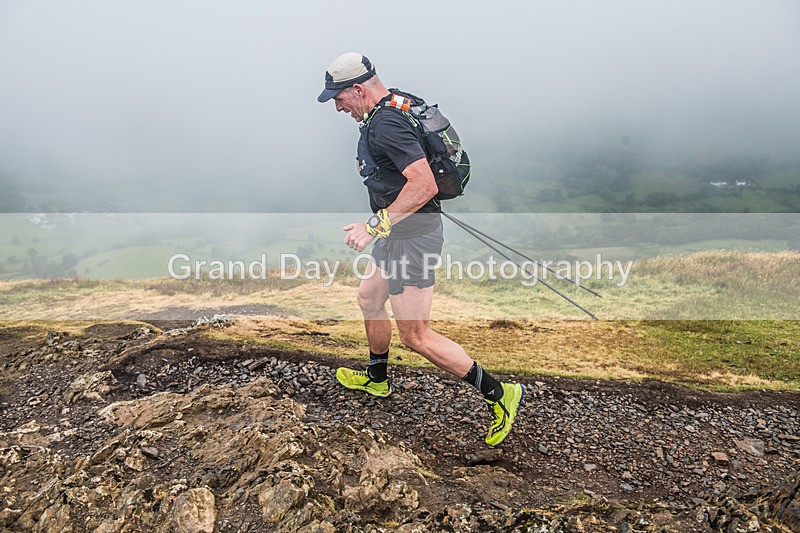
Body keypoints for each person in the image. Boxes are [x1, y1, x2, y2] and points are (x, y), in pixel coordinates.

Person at [317, 52, 523, 446]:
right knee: (368, 299)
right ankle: (377, 380)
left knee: (416, 334)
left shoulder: (387, 124)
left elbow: (424, 184)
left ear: (358, 89)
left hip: (412, 237)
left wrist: (374, 225)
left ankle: (501, 394)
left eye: (339, 98)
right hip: (400, 232)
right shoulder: (397, 101)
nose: (338, 106)